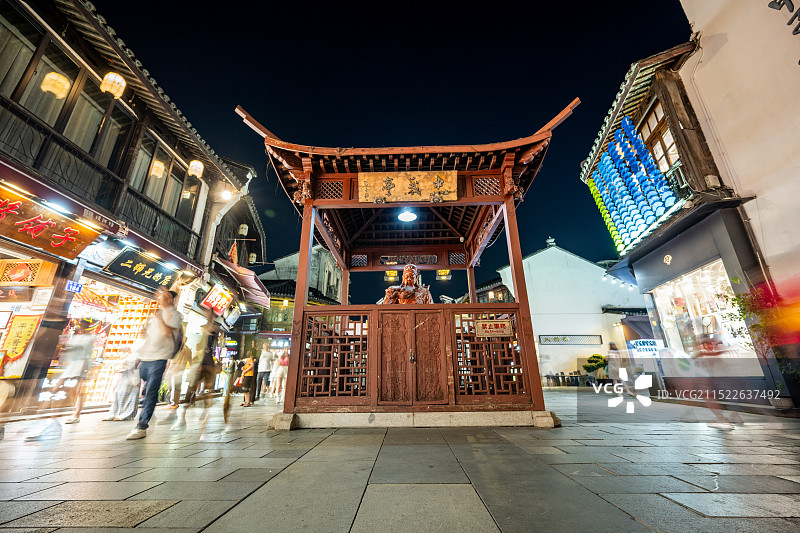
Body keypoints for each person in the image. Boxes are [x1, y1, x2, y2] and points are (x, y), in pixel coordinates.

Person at [126, 287, 182, 440]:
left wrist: (159, 318)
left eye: (163, 296)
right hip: (146, 358)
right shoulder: (156, 315)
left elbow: (167, 332)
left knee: (151, 391)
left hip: (159, 359)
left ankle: (141, 426)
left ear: (169, 299)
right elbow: (149, 338)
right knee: (144, 391)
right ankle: (143, 410)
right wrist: (139, 356)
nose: (159, 297)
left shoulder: (175, 315)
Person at [57, 319, 96, 424]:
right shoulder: (78, 337)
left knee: (79, 391)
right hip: (73, 365)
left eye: (81, 325)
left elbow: (74, 346)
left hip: (82, 365)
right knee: (72, 389)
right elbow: (67, 345)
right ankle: (72, 413)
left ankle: (76, 414)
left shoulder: (89, 338)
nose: (79, 326)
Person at [102, 350, 140, 421]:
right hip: (126, 375)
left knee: (131, 395)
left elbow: (137, 362)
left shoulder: (140, 351)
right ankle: (115, 413)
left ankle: (125, 414)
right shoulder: (132, 352)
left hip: (133, 374)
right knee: (119, 393)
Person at [165, 330, 192, 409]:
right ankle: (175, 402)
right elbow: (190, 361)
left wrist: (167, 370)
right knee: (176, 386)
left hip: (175, 369)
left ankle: (173, 403)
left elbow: (171, 360)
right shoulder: (187, 349)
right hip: (179, 369)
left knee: (174, 386)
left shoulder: (179, 348)